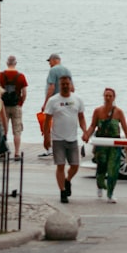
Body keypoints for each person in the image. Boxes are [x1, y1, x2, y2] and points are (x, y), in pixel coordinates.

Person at [43, 75, 87, 204]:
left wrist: (84, 130)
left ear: (71, 84)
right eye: (63, 84)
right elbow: (47, 120)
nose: (65, 86)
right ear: (59, 85)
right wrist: (46, 137)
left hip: (72, 138)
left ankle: (67, 180)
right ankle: (62, 191)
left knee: (75, 165)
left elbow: (81, 117)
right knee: (60, 165)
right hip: (58, 139)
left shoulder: (77, 99)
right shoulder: (53, 100)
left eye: (67, 84)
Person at [83, 87, 127, 203]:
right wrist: (87, 135)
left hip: (115, 144)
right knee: (101, 168)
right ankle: (100, 185)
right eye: (106, 96)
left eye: (110, 96)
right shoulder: (98, 111)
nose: (108, 98)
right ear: (103, 97)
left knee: (113, 169)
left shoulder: (119, 112)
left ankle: (110, 193)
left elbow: (125, 128)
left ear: (114, 98)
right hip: (101, 144)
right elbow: (93, 125)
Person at [40, 53, 72, 157]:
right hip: (65, 103)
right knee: (62, 125)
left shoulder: (53, 70)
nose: (49, 64)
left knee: (48, 125)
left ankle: (50, 148)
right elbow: (72, 88)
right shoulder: (67, 70)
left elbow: (51, 88)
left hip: (54, 103)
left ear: (54, 60)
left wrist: (45, 103)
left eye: (49, 61)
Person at [0, 55, 28, 161]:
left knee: (2, 129)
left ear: (7, 63)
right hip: (16, 106)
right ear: (15, 63)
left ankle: (2, 152)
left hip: (3, 106)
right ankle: (16, 153)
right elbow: (24, 93)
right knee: (17, 130)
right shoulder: (21, 76)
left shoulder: (1, 75)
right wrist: (21, 103)